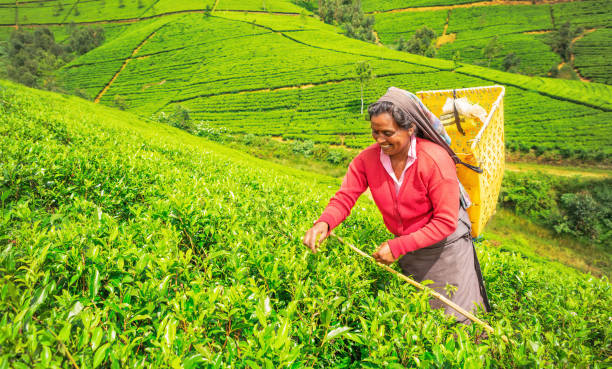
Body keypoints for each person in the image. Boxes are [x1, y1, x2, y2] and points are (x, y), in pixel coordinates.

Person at [302, 87, 490, 323]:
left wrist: (398, 246)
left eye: (387, 133)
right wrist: (324, 223)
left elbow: (444, 222)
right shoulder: (367, 160)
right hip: (409, 248)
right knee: (422, 321)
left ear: (411, 128)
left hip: (446, 252)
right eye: (375, 132)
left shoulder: (434, 160)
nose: (380, 139)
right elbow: (345, 197)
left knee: (457, 320)